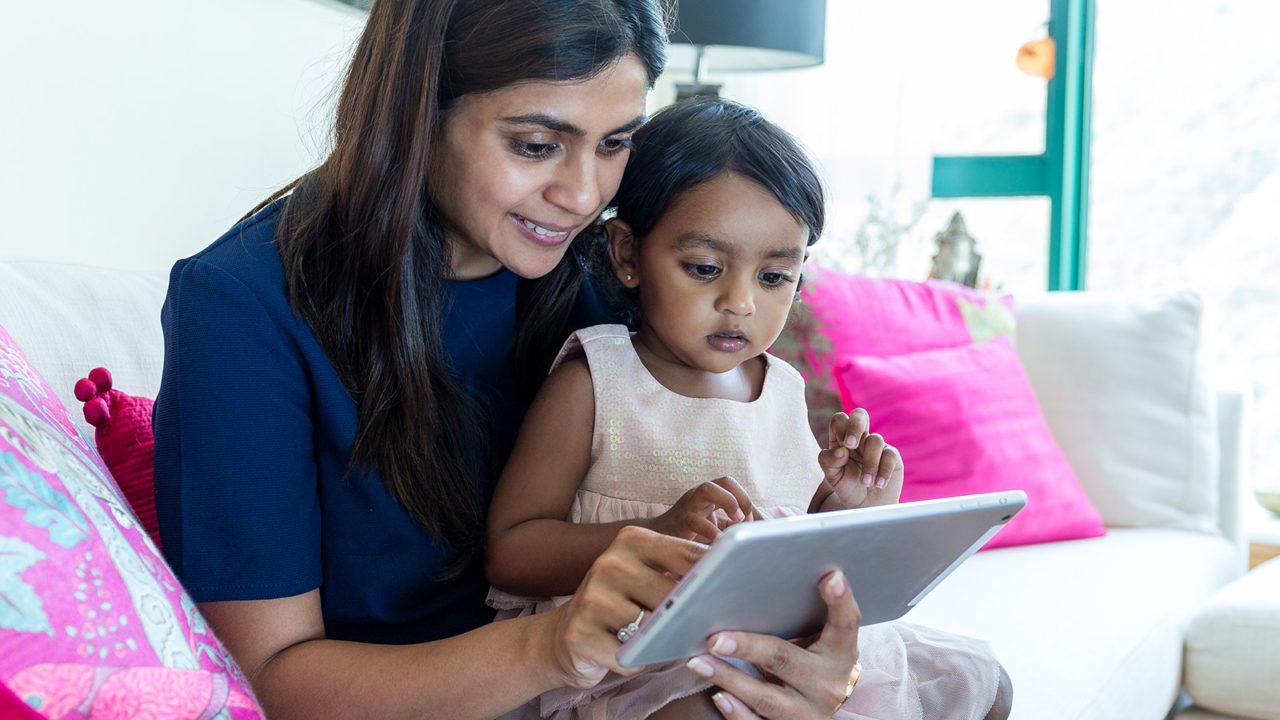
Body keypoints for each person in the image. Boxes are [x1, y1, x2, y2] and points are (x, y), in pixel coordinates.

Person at [152, 2, 933, 719]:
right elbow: (271, 678)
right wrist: (550, 644)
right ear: (419, 112)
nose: (585, 194)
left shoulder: (607, 273)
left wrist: (822, 656)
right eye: (536, 145)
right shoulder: (242, 305)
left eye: (616, 143)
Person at [484, 99, 1011, 720]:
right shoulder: (596, 381)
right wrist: (657, 532)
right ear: (628, 255)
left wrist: (839, 511)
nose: (738, 302)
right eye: (705, 269)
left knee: (981, 682)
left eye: (774, 277)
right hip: (640, 658)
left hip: (773, 647)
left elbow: (788, 545)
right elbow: (511, 551)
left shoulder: (782, 388)